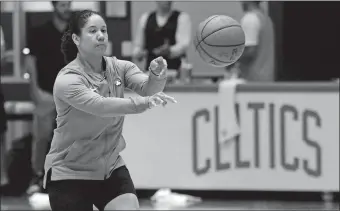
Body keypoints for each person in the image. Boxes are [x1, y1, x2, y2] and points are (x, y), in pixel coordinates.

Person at [44, 9, 176, 211]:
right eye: (93, 31)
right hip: (70, 172)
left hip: (110, 166)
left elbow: (148, 88)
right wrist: (145, 103)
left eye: (104, 30)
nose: (100, 35)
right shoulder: (68, 80)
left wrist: (157, 76)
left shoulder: (120, 67)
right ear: (76, 39)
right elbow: (101, 106)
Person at [25, 1, 72, 194]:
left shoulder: (76, 32)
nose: (66, 8)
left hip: (70, 94)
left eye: (68, 4)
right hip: (46, 92)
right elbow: (30, 61)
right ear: (54, 6)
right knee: (42, 136)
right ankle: (37, 176)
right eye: (62, 4)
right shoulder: (39, 31)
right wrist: (35, 90)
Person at [132, 1, 191, 73]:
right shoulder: (145, 18)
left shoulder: (182, 18)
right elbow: (138, 45)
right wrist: (138, 53)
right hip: (151, 71)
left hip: (174, 71)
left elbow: (183, 44)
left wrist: (169, 50)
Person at [227, 1, 275, 81]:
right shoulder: (267, 19)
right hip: (266, 79)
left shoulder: (250, 19)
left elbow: (250, 52)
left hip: (252, 80)